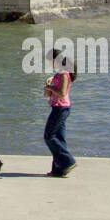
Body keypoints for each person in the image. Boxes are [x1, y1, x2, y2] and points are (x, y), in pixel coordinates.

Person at [43, 48, 77, 177]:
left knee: (49, 136)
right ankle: (59, 169)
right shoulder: (60, 73)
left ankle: (68, 161)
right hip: (59, 107)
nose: (49, 64)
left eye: (50, 61)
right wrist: (50, 82)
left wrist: (49, 87)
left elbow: (62, 93)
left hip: (61, 108)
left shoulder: (64, 74)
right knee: (59, 138)